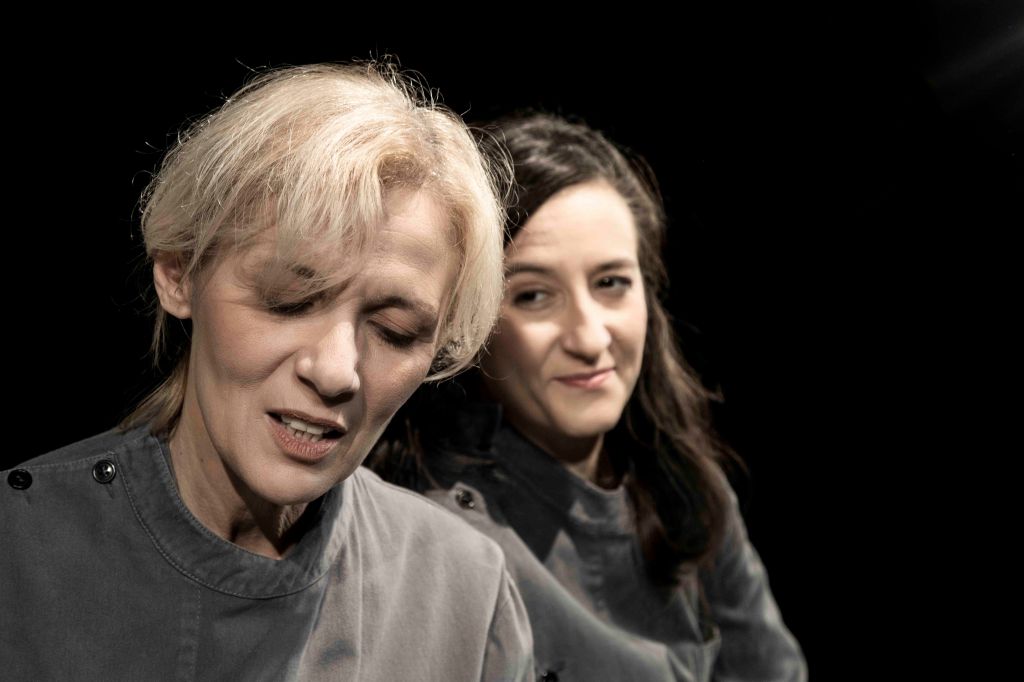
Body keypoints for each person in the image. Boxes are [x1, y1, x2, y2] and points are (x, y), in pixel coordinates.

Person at [0, 63, 533, 680]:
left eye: (394, 331)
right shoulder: (16, 552)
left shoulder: (466, 595)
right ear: (179, 272)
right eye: (289, 301)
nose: (335, 371)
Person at [371, 113, 807, 681]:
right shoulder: (428, 532)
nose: (590, 338)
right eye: (534, 295)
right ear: (467, 324)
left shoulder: (687, 490)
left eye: (611, 284)